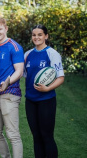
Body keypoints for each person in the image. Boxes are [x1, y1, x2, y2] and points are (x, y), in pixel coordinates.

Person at [24, 25, 64, 158]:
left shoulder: (52, 53)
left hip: (46, 100)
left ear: (46, 36)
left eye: (40, 34)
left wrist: (47, 88)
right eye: (34, 35)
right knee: (36, 136)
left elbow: (60, 77)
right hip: (30, 100)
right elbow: (24, 75)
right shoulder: (27, 54)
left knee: (46, 136)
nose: (36, 37)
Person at [0, 17, 24, 158]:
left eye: (0, 29)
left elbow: (19, 71)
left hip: (9, 95)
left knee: (12, 134)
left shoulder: (14, 47)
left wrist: (7, 82)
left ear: (6, 29)